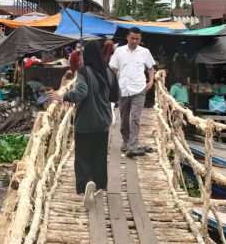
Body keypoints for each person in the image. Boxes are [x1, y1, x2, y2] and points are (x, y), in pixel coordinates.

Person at [49, 41, 120, 203]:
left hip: (85, 122)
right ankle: (99, 184)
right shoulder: (108, 71)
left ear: (86, 55)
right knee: (99, 156)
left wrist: (61, 96)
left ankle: (87, 182)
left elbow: (81, 93)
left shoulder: (84, 72)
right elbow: (116, 96)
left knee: (83, 156)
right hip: (103, 122)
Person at [109, 27, 155, 158]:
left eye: (137, 39)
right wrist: (114, 84)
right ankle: (126, 141)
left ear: (140, 39)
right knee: (123, 119)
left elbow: (151, 68)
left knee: (135, 118)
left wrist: (151, 81)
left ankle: (133, 145)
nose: (135, 41)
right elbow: (114, 70)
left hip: (139, 88)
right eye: (132, 38)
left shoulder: (145, 52)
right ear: (127, 37)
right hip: (123, 89)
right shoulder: (119, 51)